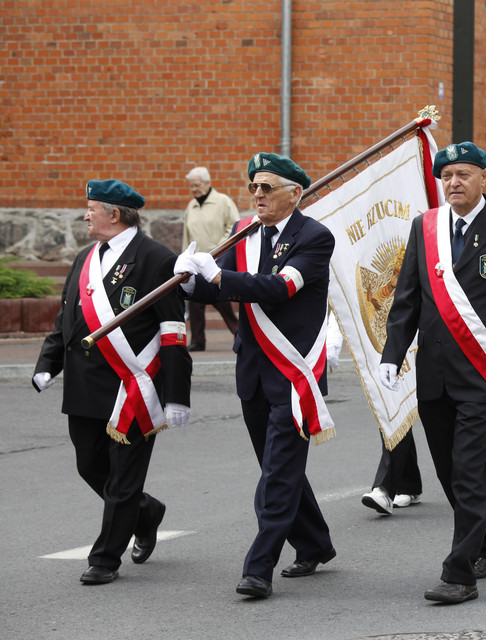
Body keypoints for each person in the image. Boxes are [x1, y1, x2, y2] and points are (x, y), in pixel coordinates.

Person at [380, 141, 486, 604]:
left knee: (471, 472)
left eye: (463, 174)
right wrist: (391, 355)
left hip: (480, 374)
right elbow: (407, 299)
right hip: (433, 373)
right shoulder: (425, 227)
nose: (454, 183)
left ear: (482, 178)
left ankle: (459, 574)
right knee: (448, 471)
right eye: (447, 176)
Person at [176, 152, 336, 599]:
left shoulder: (315, 237)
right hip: (252, 369)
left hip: (293, 373)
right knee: (277, 467)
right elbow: (220, 285)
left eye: (267, 187)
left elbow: (281, 288)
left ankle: (258, 567)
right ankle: (316, 543)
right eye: (254, 187)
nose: (258, 195)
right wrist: (191, 281)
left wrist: (220, 275)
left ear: (295, 193)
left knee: (277, 476)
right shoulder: (246, 233)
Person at [33, 179, 192, 585]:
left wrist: (177, 394)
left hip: (133, 387)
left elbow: (173, 330)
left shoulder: (156, 259)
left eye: (91, 209)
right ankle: (145, 512)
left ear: (114, 215)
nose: (85, 215)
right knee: (89, 466)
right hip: (85, 385)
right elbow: (67, 316)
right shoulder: (87, 257)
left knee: (124, 477)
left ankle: (105, 558)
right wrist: (48, 363)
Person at [181, 166, 240, 351]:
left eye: (197, 185)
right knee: (195, 303)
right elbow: (187, 234)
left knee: (221, 300)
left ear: (207, 183)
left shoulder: (223, 202)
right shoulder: (192, 206)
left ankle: (238, 332)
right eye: (191, 186)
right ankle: (198, 340)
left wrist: (219, 249)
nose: (194, 189)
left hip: (217, 259)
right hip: (195, 262)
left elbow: (234, 226)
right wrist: (185, 258)